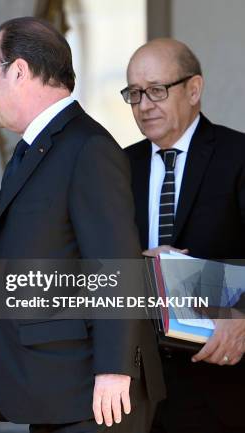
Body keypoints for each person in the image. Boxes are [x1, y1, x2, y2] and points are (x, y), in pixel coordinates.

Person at [0, 17, 165, 433]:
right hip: (57, 392)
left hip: (96, 395)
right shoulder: (36, 149)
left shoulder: (87, 147)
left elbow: (115, 263)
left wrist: (115, 370)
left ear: (20, 71)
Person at [123, 38, 245, 433]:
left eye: (157, 90)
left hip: (223, 381)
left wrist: (242, 313)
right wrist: (139, 262)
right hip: (140, 386)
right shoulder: (118, 167)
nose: (144, 104)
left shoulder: (237, 155)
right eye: (134, 93)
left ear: (194, 89)